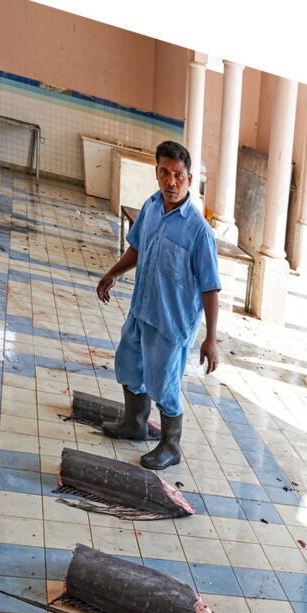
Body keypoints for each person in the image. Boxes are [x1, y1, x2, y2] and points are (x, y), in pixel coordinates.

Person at [96, 140, 221, 470]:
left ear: (190, 179)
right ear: (156, 173)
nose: (171, 182)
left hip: (170, 323)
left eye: (179, 175)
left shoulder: (198, 231)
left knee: (163, 383)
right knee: (128, 365)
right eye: (164, 173)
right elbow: (136, 249)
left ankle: (170, 446)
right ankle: (134, 423)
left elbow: (210, 287)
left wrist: (211, 338)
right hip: (141, 310)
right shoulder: (150, 208)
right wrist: (113, 273)